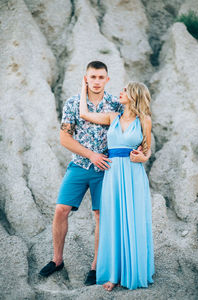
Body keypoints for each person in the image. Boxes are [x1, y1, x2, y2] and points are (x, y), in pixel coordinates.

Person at [39, 61, 125, 285]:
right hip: (79, 164)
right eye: (93, 77)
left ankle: (96, 266)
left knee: (100, 216)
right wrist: (90, 154)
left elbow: (127, 131)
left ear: (107, 79)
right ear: (85, 78)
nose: (97, 81)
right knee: (61, 210)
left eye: (101, 77)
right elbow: (64, 138)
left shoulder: (117, 105)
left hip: (106, 167)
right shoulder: (73, 103)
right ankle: (57, 260)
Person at [80, 79, 154, 291]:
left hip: (133, 175)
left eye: (125, 90)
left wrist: (143, 157)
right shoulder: (113, 117)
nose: (120, 93)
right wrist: (83, 88)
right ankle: (112, 274)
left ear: (134, 95)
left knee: (133, 220)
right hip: (112, 175)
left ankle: (132, 271)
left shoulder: (144, 120)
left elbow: (147, 150)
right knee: (112, 221)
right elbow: (84, 113)